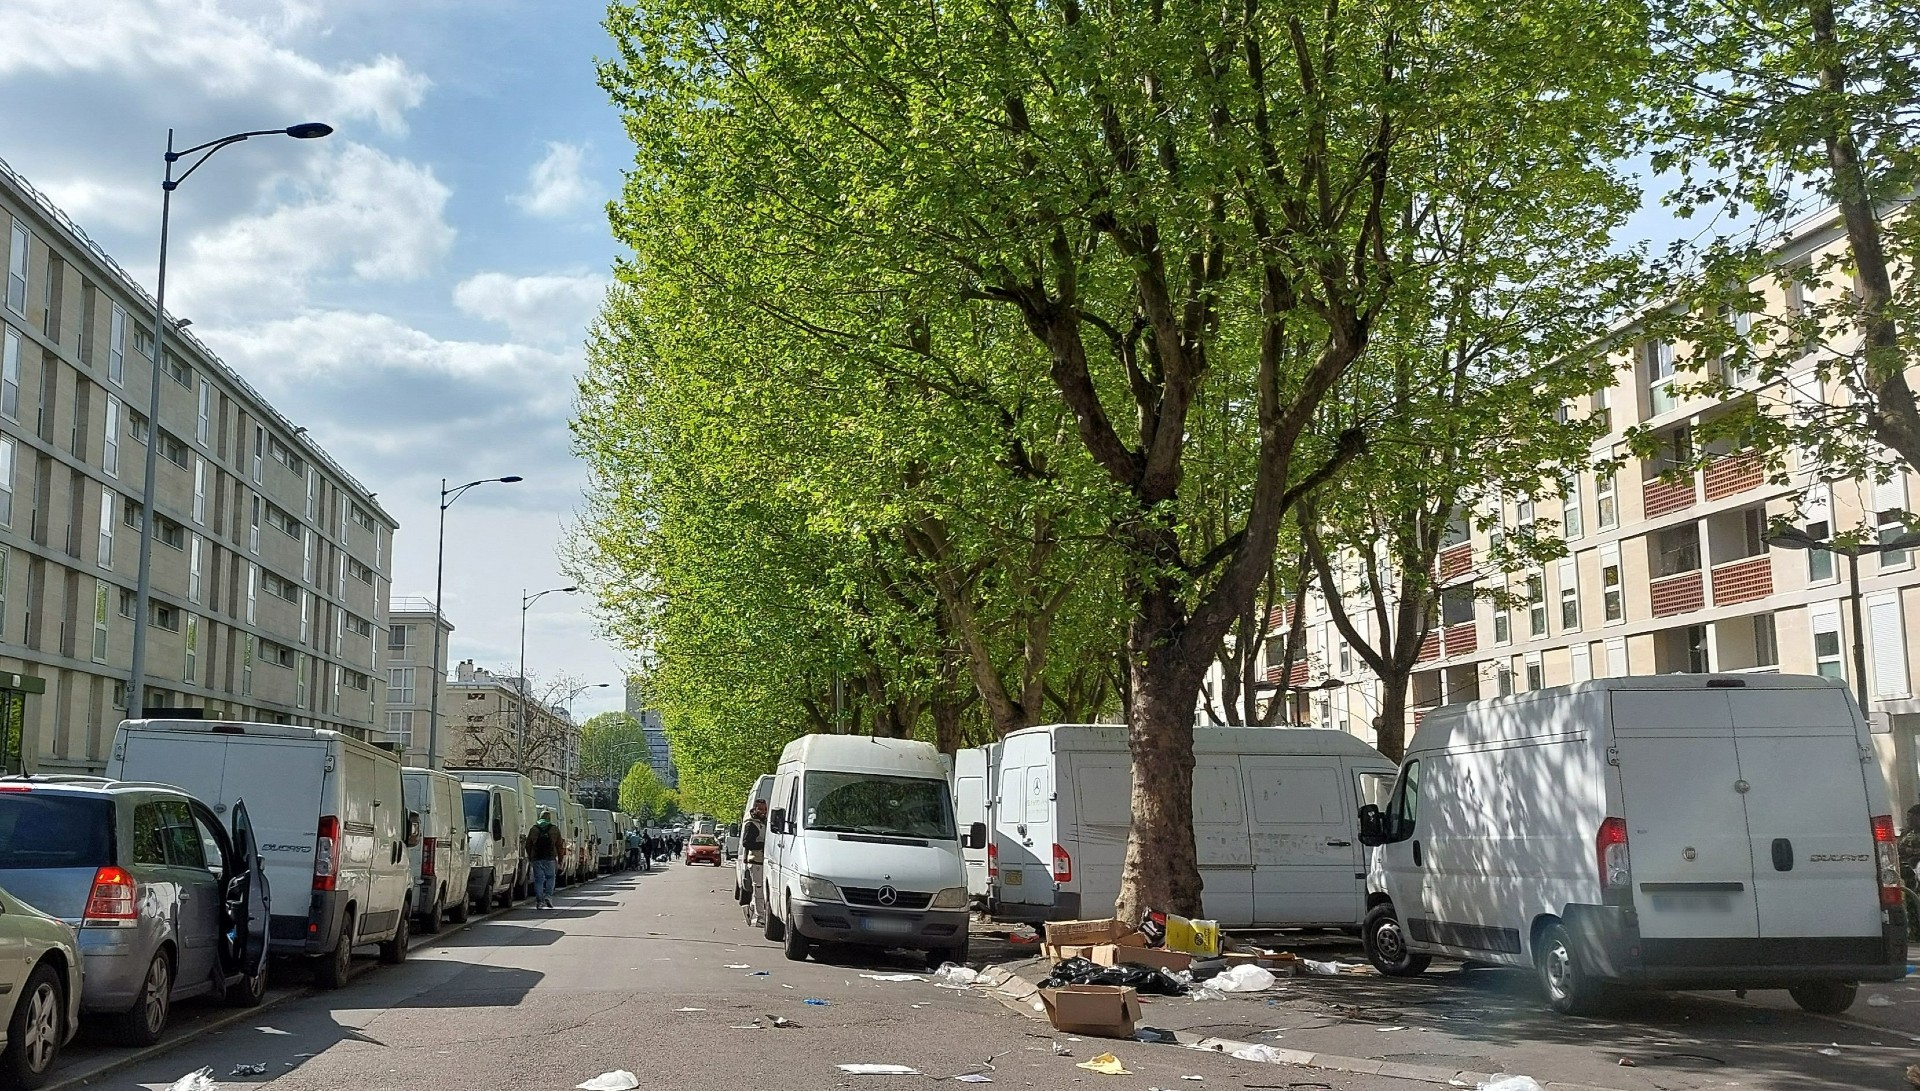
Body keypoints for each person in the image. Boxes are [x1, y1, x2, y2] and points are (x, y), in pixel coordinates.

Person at [525, 809, 566, 910]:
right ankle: (548, 896)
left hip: (537, 858)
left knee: (538, 880)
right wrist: (560, 860)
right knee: (550, 878)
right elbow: (560, 846)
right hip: (550, 858)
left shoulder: (534, 829)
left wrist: (531, 857)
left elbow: (528, 844)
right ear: (549, 818)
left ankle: (539, 901)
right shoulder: (554, 829)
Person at [742, 800, 768, 928]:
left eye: (765, 809)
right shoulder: (751, 824)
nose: (763, 812)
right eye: (760, 810)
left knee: (761, 889)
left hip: (765, 861)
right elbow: (746, 842)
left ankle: (750, 909)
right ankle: (760, 918)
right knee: (759, 889)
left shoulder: (765, 822)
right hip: (755, 861)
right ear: (755, 809)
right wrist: (762, 846)